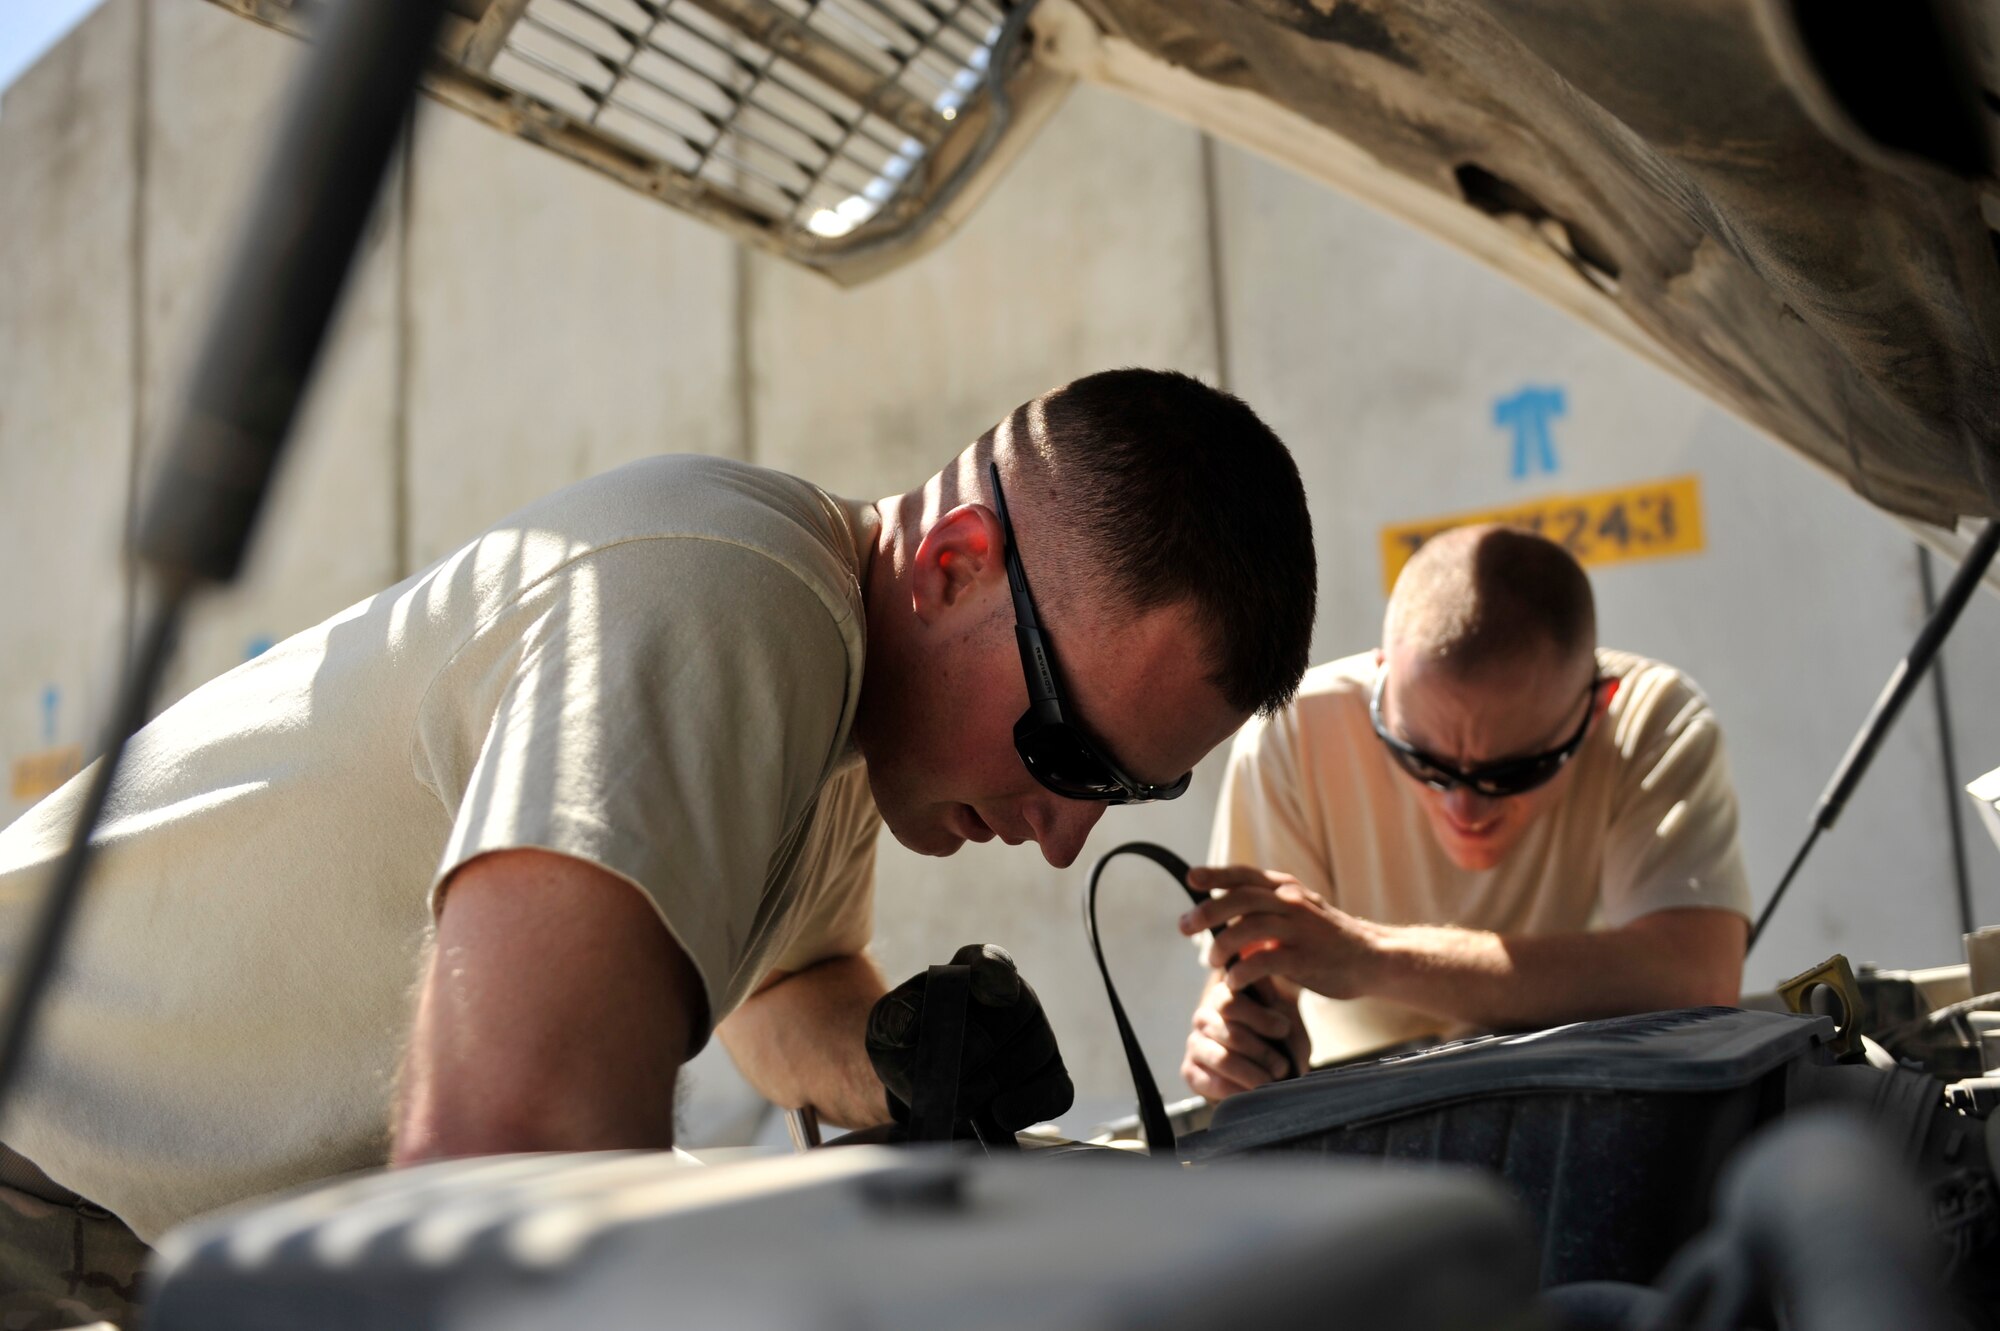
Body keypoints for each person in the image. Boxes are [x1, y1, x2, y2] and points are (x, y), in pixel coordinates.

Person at [0, 368, 1317, 1324]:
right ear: (954, 563)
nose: (1065, 830)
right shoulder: (733, 600)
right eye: (1068, 751)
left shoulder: (849, 724)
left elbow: (780, 995)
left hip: (148, 1217)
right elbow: (503, 1159)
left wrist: (899, 1058)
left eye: (1130, 788)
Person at [1179, 523, 1751, 1101]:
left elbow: (1695, 975)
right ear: (1382, 680)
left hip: (1579, 1102)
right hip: (1363, 1117)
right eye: (1422, 761)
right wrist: (1233, 1040)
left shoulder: (1652, 720)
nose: (1465, 807)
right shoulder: (1299, 731)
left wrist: (1372, 958)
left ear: (1598, 708)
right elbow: (1252, 979)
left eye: (1513, 772)